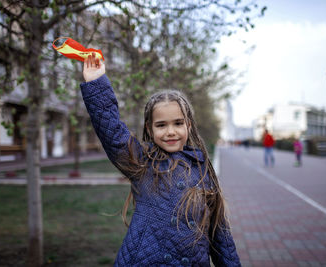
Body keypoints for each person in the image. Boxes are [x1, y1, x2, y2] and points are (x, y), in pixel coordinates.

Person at [80, 53, 241, 266]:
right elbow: (113, 133)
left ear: (189, 126)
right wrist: (96, 82)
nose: (171, 132)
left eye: (178, 123)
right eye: (161, 125)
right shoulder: (142, 162)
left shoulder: (202, 168)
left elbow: (220, 234)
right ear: (150, 128)